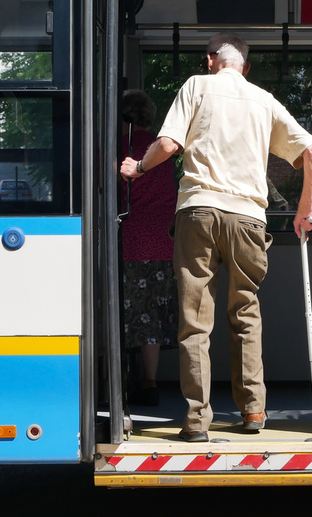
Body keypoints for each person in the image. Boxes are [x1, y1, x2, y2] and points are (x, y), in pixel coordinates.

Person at [120, 33, 312, 442]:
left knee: (196, 321)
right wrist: (306, 210)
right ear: (244, 67)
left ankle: (196, 421)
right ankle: (253, 411)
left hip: (199, 210)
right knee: (245, 312)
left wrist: (138, 168)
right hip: (249, 218)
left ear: (210, 60)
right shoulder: (264, 100)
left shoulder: (196, 86)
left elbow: (168, 143)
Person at [120, 89, 178, 406]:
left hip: (129, 239)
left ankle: (120, 380)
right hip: (161, 241)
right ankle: (149, 381)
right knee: (151, 317)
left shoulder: (121, 147)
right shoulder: (162, 147)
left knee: (128, 311)